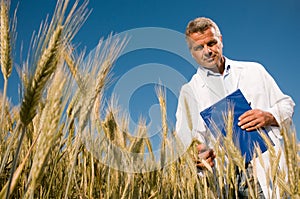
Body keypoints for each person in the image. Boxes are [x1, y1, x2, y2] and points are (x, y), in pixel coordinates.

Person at [175, 17, 295, 198]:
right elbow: (186, 140)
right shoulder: (189, 92)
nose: (207, 51)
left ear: (220, 40)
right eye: (199, 48)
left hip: (265, 169)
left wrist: (269, 116)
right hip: (225, 179)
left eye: (211, 43)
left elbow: (286, 104)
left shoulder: (254, 70)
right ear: (192, 53)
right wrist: (198, 154)